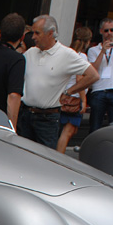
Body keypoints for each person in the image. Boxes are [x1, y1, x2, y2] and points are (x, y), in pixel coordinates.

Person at [19, 14, 99, 149]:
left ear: (50, 33)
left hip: (47, 119)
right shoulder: (30, 53)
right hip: (25, 115)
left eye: (37, 33)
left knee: (44, 160)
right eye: (33, 33)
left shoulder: (66, 54)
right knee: (20, 156)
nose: (33, 37)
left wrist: (69, 92)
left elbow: (93, 76)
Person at [57, 26, 92, 153]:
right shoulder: (82, 57)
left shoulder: (68, 53)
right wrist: (84, 100)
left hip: (62, 95)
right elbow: (80, 79)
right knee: (68, 131)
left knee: (62, 130)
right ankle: (58, 159)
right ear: (87, 42)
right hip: (74, 98)